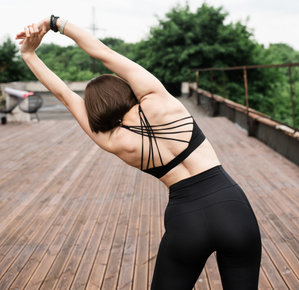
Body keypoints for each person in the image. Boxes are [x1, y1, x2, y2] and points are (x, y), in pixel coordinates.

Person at [16, 15, 262, 290]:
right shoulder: (158, 99)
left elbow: (63, 94)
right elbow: (102, 52)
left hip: (185, 220)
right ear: (125, 90)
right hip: (231, 205)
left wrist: (29, 54)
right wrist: (54, 23)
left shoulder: (110, 139)